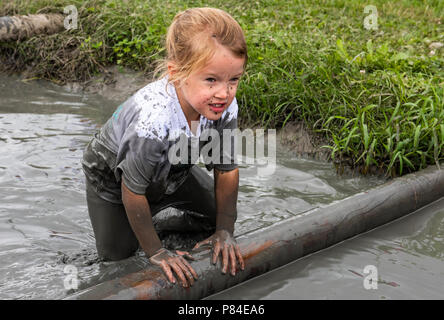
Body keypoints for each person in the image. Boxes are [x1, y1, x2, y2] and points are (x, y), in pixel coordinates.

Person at [82, 7, 247, 288]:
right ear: (176, 74)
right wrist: (157, 253)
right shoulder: (153, 121)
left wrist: (224, 231)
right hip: (112, 178)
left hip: (171, 168)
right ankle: (146, 233)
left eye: (234, 80)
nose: (224, 92)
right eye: (211, 80)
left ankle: (156, 224)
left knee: (213, 219)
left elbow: (227, 171)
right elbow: (132, 191)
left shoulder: (226, 105)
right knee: (119, 261)